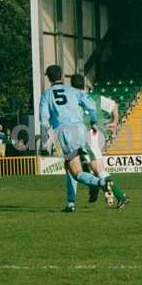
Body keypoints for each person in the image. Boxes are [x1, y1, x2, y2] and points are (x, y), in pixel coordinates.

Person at [40, 65, 111, 213]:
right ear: (61, 76)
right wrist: (92, 122)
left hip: (65, 132)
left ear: (48, 78)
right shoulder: (73, 91)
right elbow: (91, 106)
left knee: (75, 172)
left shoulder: (47, 95)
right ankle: (70, 203)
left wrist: (45, 143)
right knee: (75, 165)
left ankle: (100, 182)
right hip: (81, 130)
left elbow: (44, 120)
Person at [69, 74, 130, 209]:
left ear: (71, 85)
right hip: (95, 134)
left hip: (86, 135)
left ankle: (120, 195)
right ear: (84, 85)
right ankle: (94, 187)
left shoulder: (71, 99)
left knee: (97, 168)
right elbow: (114, 105)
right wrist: (114, 121)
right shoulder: (96, 97)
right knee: (83, 163)